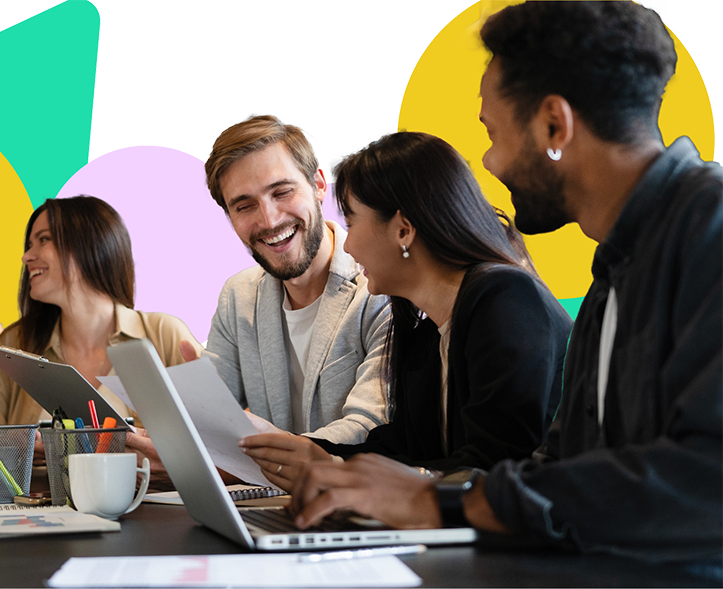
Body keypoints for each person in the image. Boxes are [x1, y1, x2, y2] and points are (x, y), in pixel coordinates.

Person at [289, 1, 723, 572]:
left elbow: (707, 481)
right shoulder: (617, 269)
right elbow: (560, 468)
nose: (489, 162)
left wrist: (432, 498)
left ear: (553, 125)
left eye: (492, 133)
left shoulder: (708, 229)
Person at [240, 132, 571, 491]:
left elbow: (494, 466)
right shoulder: (429, 328)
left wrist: (342, 470)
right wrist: (315, 454)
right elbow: (402, 448)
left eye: (352, 223)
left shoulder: (505, 298)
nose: (347, 245)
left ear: (403, 229)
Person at [203, 114, 393, 443]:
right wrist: (188, 415)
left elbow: (371, 425)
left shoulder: (381, 288)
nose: (270, 219)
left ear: (319, 185)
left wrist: (277, 447)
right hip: (269, 494)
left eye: (281, 192)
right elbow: (212, 425)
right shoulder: (237, 297)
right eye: (244, 206)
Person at [0, 196, 202, 430]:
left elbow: (218, 441)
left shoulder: (164, 335)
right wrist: (21, 448)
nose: (26, 256)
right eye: (28, 245)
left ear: (89, 246)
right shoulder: (13, 344)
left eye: (43, 240)